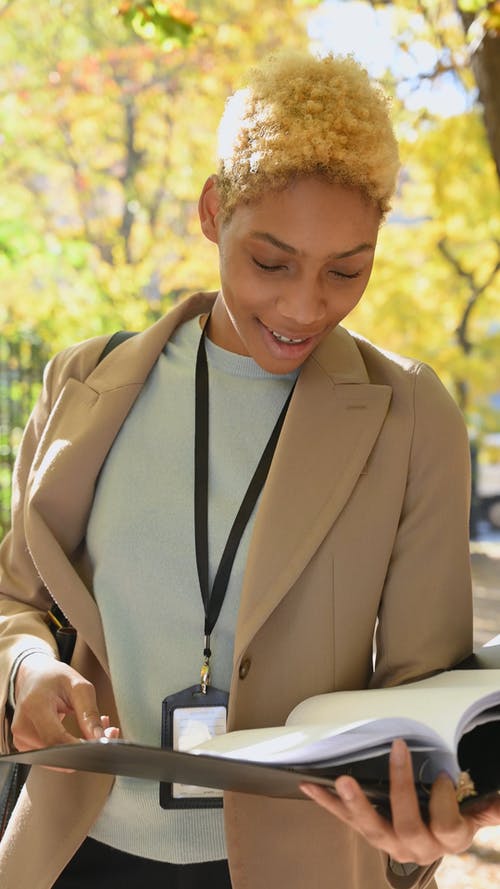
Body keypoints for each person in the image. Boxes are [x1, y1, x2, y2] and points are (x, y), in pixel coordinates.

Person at [0, 48, 497, 889]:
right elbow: (15, 599)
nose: (305, 307)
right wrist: (28, 668)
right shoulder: (84, 384)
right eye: (271, 261)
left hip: (304, 866)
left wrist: (418, 831)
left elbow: (423, 693)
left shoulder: (412, 416)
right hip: (73, 851)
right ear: (211, 210)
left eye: (349, 269)